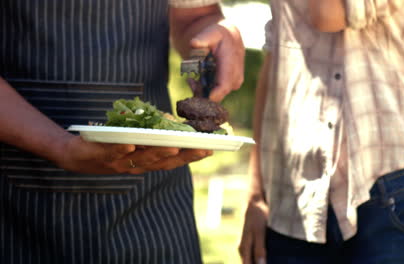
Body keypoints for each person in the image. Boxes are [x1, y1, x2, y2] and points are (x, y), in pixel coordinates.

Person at [0, 0, 244, 263]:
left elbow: (195, 15)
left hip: (152, 203)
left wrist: (217, 34)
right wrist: (57, 145)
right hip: (17, 202)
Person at [239, 0, 404, 263]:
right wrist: (255, 194)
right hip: (292, 202)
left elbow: (328, 13)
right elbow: (276, 56)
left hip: (398, 185)